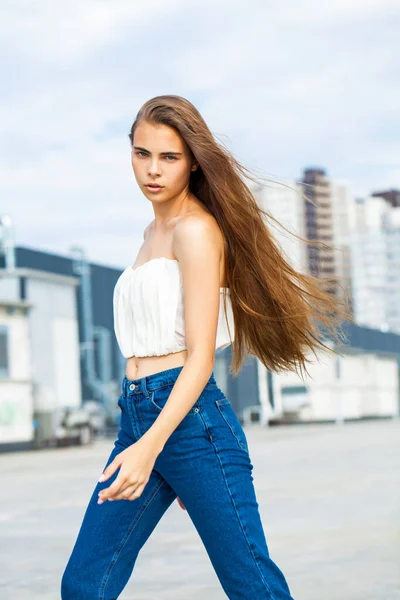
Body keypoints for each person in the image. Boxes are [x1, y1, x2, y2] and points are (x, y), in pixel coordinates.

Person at [61, 95, 351, 599]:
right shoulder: (151, 231)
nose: (153, 170)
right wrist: (150, 449)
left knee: (252, 585)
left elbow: (199, 358)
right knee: (84, 585)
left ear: (193, 161)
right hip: (140, 416)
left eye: (169, 158)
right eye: (142, 153)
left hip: (193, 426)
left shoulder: (195, 231)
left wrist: (153, 451)